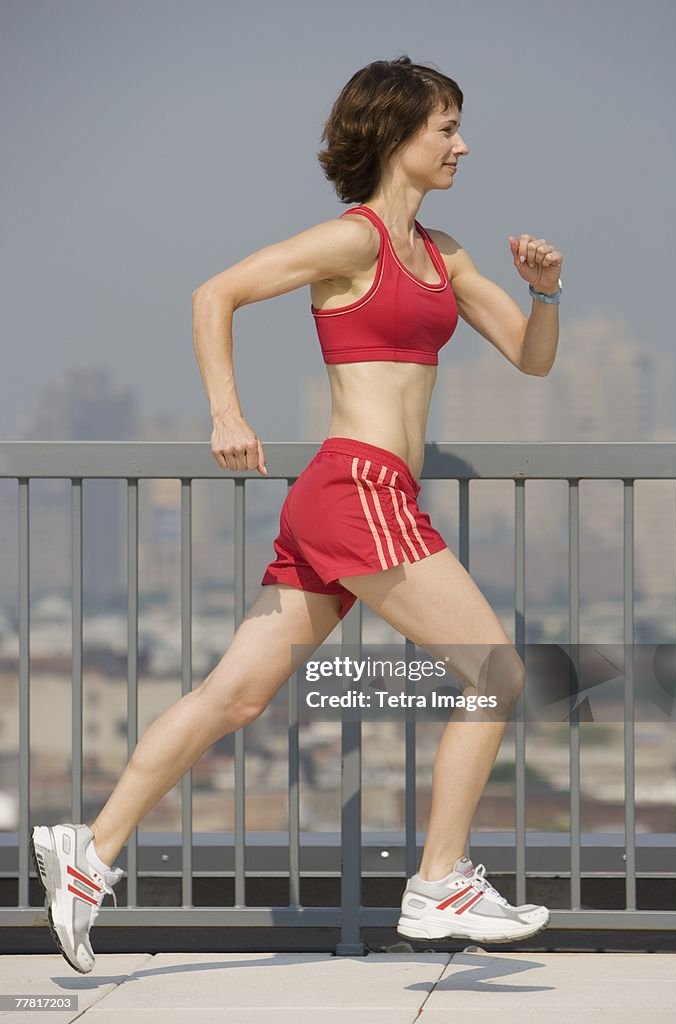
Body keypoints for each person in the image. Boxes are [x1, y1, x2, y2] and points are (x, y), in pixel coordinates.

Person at [31, 55, 563, 973]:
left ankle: (90, 851)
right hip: (356, 489)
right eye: (444, 128)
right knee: (498, 672)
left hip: (356, 499)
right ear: (395, 137)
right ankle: (439, 880)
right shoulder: (351, 242)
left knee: (232, 698)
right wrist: (227, 413)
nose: (461, 144)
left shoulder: (447, 256)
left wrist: (545, 290)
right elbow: (215, 294)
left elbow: (530, 357)